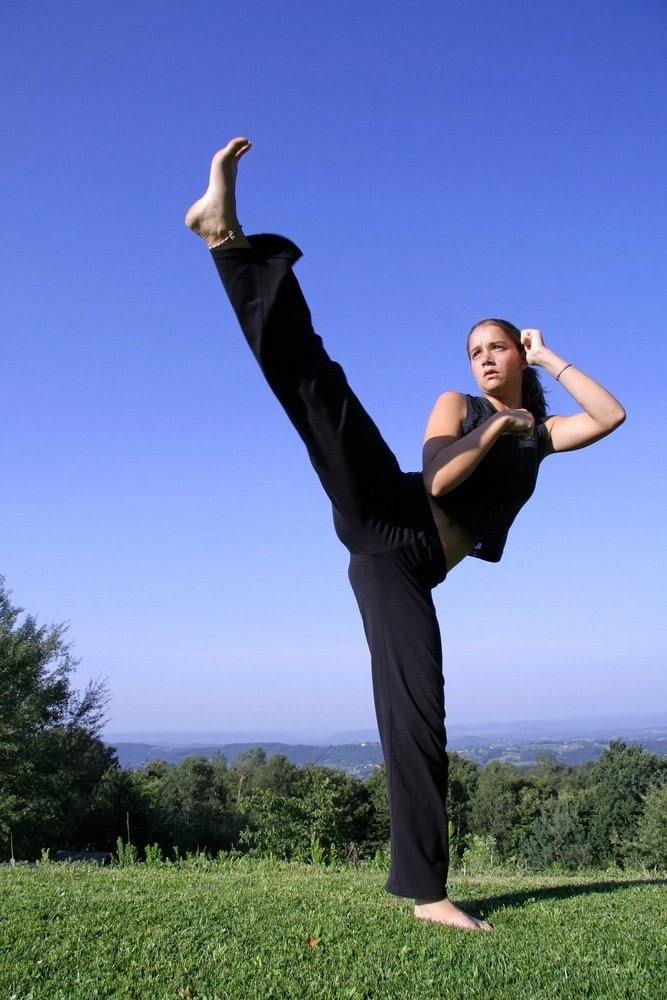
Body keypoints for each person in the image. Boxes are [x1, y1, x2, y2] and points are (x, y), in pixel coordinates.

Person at [185, 138, 626, 931]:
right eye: (475, 352)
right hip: (389, 516)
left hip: (413, 569)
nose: (484, 359)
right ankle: (227, 239)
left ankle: (426, 893)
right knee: (320, 390)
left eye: (496, 349)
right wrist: (492, 432)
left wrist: (546, 356)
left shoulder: (537, 432)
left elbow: (610, 416)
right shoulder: (458, 407)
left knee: (418, 713)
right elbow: (436, 481)